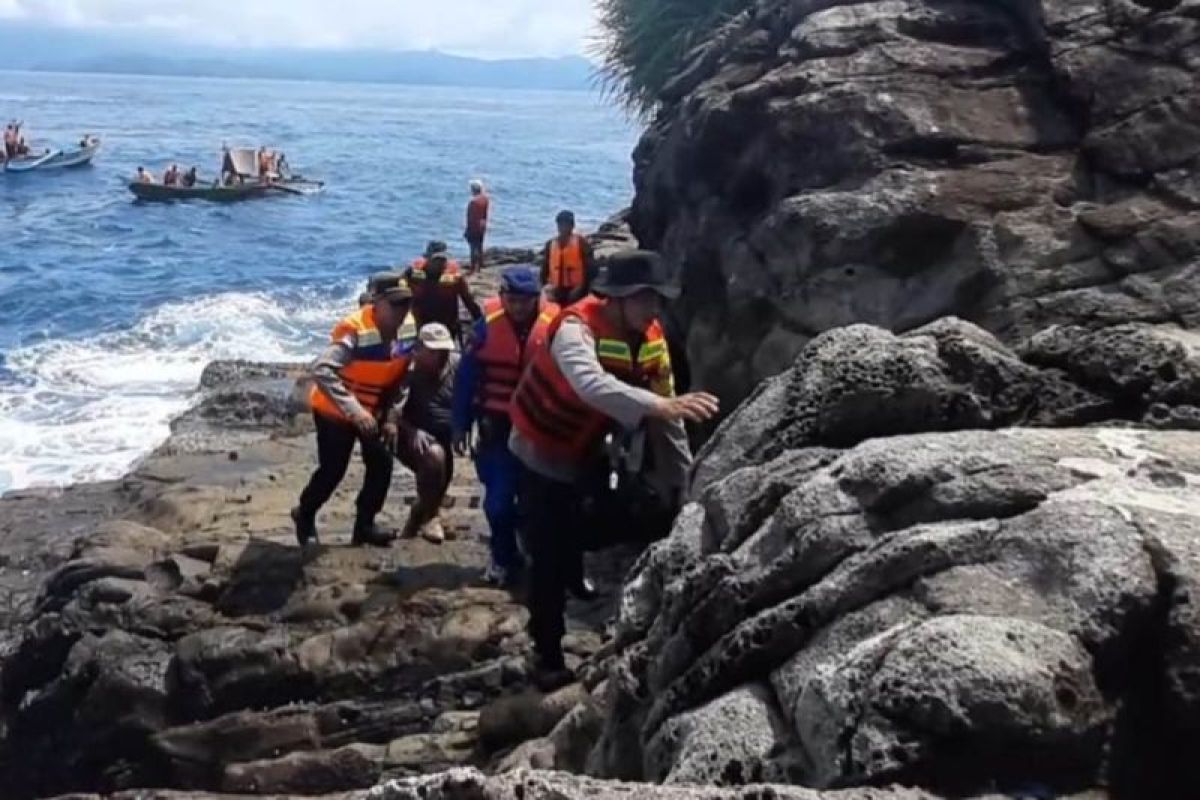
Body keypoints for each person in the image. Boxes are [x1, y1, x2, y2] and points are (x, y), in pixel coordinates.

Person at [509, 250, 720, 689]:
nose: (653, 308)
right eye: (645, 298)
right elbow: (590, 383)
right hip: (539, 453)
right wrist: (656, 404)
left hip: (586, 452)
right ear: (617, 298)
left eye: (657, 299)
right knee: (546, 554)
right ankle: (546, 652)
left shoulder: (652, 336)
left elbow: (671, 418)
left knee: (598, 524)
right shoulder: (574, 327)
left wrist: (687, 489)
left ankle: (575, 573)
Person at [292, 272, 414, 548]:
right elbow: (322, 369)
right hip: (336, 410)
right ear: (376, 303)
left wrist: (393, 415)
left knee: (381, 464)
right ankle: (305, 514)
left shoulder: (408, 329)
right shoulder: (355, 331)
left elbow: (406, 376)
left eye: (406, 304)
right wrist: (354, 410)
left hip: (376, 409)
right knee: (333, 470)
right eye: (395, 304)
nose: (401, 311)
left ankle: (365, 526)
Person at [452, 265, 556, 585]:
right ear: (502, 297)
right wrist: (459, 425)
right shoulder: (486, 329)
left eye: (525, 300)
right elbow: (466, 379)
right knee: (498, 503)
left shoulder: (557, 328)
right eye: (512, 299)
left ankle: (536, 555)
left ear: (537, 298)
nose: (518, 307)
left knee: (539, 501)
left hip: (541, 429)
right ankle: (502, 556)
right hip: (496, 428)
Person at [390, 323, 460, 544]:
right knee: (434, 457)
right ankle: (431, 517)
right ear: (419, 348)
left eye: (442, 350)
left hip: (445, 433)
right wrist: (411, 431)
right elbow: (392, 412)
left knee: (441, 480)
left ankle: (416, 520)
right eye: (433, 351)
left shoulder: (457, 364)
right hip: (410, 432)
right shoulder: (408, 369)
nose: (439, 356)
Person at [403, 241, 483, 346]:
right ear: (427, 259)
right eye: (436, 259)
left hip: (447, 325)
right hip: (421, 324)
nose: (440, 263)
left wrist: (480, 322)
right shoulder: (412, 274)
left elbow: (469, 301)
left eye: (443, 259)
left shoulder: (454, 278)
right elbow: (401, 293)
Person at [541, 210, 596, 306]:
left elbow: (591, 269)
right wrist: (546, 287)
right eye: (561, 224)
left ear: (572, 226)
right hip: (555, 291)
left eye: (567, 224)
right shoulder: (550, 245)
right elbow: (544, 270)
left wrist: (581, 288)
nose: (564, 227)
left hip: (577, 290)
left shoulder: (581, 243)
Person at [464, 179, 490, 275]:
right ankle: (480, 265)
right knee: (479, 246)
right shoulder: (485, 199)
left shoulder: (473, 202)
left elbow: (470, 218)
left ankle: (473, 267)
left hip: (474, 227)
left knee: (473, 247)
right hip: (482, 225)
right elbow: (485, 214)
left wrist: (467, 229)